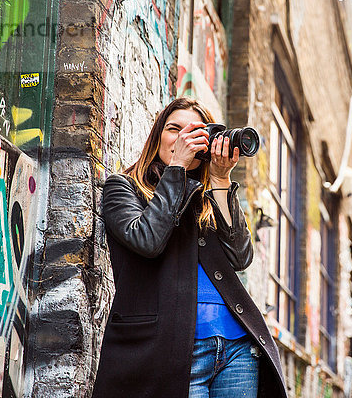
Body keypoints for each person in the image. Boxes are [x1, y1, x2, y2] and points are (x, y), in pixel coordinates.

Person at [92, 97, 287, 398]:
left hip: (237, 348)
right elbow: (147, 241)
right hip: (175, 349)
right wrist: (177, 168)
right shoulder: (123, 188)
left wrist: (221, 180)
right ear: (157, 136)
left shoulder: (204, 197)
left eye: (195, 132)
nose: (184, 137)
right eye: (174, 129)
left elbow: (240, 256)